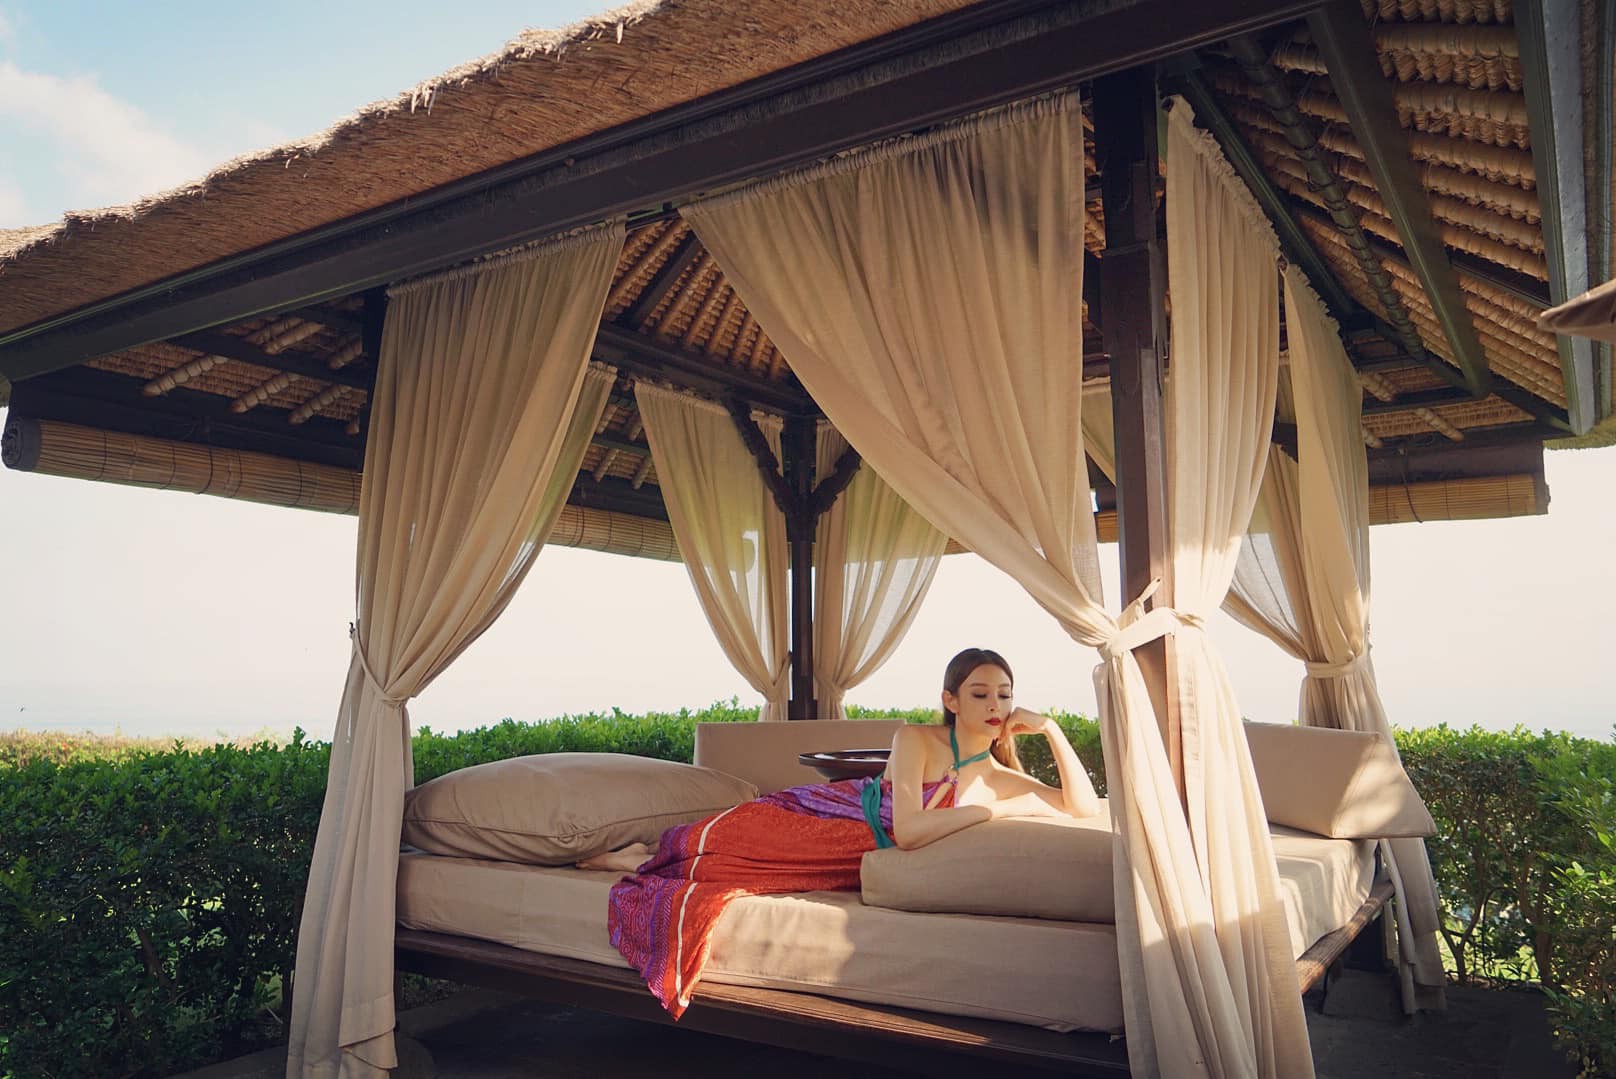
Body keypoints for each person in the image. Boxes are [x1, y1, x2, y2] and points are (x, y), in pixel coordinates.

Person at [591, 647, 1101, 1017]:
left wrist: (1051, 730)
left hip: (851, 856)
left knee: (724, 875)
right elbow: (908, 831)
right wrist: (990, 812)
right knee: (710, 843)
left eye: (1005, 696)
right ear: (951, 699)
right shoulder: (915, 739)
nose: (995, 706)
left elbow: (1079, 805)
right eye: (980, 693)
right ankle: (632, 855)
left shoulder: (994, 775)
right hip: (821, 816)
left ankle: (640, 856)